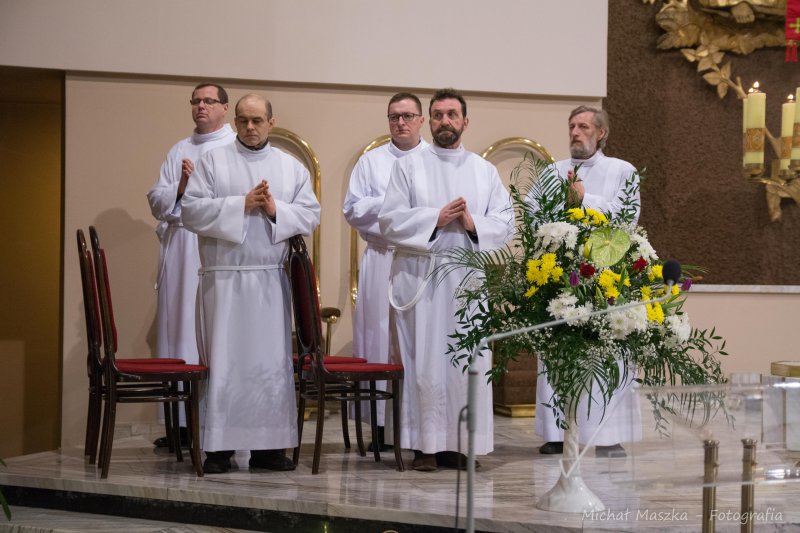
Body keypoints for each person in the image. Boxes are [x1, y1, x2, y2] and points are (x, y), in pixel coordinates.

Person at [181, 93, 321, 474]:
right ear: (235, 122)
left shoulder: (290, 167)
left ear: (271, 122)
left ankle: (268, 449)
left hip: (270, 282)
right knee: (225, 366)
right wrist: (239, 205)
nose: (250, 127)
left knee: (269, 365)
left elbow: (311, 214)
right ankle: (219, 450)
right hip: (224, 281)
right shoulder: (213, 162)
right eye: (243, 120)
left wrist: (275, 209)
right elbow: (190, 211)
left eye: (257, 120)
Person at [378, 88, 513, 472]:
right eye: (438, 114)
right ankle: (424, 446)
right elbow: (388, 221)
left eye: (452, 114)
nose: (445, 121)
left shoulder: (483, 170)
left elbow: (505, 223)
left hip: (466, 280)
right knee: (423, 361)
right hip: (421, 276)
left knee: (466, 360)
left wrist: (472, 223)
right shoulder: (408, 166)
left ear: (465, 121)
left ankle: (460, 445)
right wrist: (435, 219)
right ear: (429, 120)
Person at [533, 105, 642, 457]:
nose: (575, 132)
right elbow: (534, 214)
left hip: (607, 272)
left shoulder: (622, 170)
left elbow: (627, 216)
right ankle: (556, 432)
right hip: (561, 272)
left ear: (601, 133)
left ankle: (608, 434)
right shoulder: (552, 172)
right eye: (571, 126)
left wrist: (584, 200)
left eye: (583, 126)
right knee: (557, 350)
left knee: (607, 350)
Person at [146, 82, 235, 448]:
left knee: (213, 334)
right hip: (180, 249)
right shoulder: (179, 149)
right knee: (178, 334)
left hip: (213, 247)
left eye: (209, 101)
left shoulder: (234, 148)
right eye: (196, 101)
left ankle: (215, 422)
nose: (201, 106)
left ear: (224, 107)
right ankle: (180, 426)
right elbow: (157, 200)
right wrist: (181, 186)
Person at [342, 92, 428, 451]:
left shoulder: (434, 161)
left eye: (407, 116)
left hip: (420, 261)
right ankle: (379, 425)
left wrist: (401, 212)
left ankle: (418, 424)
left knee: (418, 343)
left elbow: (435, 212)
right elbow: (353, 209)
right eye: (394, 116)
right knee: (378, 340)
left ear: (421, 120)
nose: (400, 122)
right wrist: (400, 208)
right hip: (381, 258)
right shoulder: (371, 161)